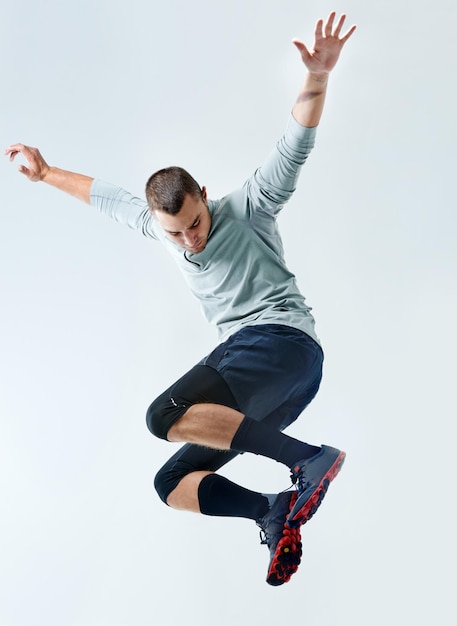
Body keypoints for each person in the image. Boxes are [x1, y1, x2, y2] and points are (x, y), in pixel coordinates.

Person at [5, 11, 356, 586]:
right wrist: (44, 174)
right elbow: (104, 196)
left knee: (161, 415)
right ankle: (271, 512)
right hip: (278, 394)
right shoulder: (158, 227)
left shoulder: (249, 206)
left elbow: (294, 146)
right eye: (177, 233)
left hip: (283, 344)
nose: (191, 238)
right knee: (170, 484)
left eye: (196, 221)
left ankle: (308, 459)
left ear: (205, 198)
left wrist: (317, 79)